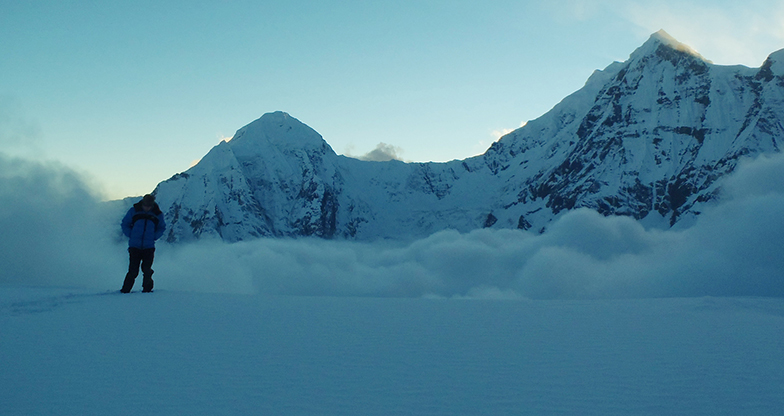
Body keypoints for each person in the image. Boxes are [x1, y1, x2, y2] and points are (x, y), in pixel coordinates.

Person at [120, 194, 166, 293]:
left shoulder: (157, 214)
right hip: (134, 246)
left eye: (149, 206)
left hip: (149, 246)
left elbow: (161, 227)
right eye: (145, 205)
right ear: (142, 203)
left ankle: (147, 290)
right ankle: (125, 290)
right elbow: (125, 224)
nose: (147, 207)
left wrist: (154, 236)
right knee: (133, 270)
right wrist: (131, 235)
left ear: (152, 205)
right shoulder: (134, 211)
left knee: (147, 269)